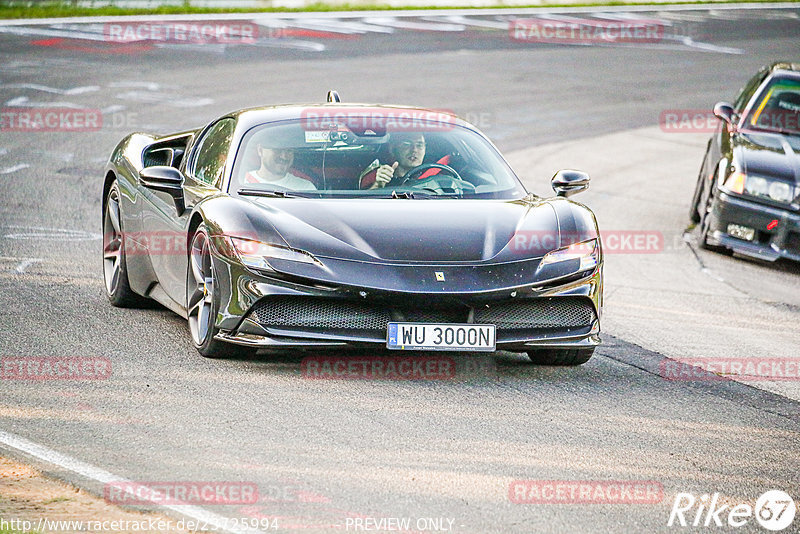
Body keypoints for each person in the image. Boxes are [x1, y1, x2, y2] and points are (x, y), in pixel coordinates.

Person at [359, 133, 450, 190]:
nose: (414, 150)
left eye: (419, 145)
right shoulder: (379, 175)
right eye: (407, 144)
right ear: (392, 149)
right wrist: (378, 184)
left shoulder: (438, 176)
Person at [245, 144, 316, 191]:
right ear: (260, 150)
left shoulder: (305, 188)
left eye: (289, 151)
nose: (284, 156)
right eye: (277, 149)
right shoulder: (243, 182)